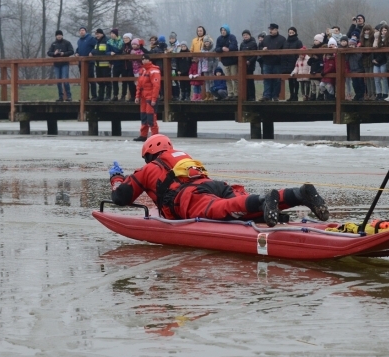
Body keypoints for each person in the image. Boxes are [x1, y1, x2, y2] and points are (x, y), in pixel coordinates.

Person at [108, 135, 330, 227]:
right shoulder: (183, 156)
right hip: (215, 185)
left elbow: (120, 198)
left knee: (223, 209)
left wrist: (116, 178)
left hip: (190, 197)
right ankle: (298, 194)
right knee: (244, 208)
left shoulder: (148, 169)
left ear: (148, 154)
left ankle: (264, 199)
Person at [134, 53, 160, 141]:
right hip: (144, 97)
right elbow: (139, 85)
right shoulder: (142, 70)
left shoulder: (154, 70)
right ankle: (143, 135)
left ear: (149, 60)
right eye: (142, 59)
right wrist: (137, 96)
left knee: (151, 117)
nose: (143, 60)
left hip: (150, 96)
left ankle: (155, 136)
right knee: (144, 116)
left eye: (145, 59)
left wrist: (154, 99)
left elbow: (156, 86)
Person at [259, 23, 286, 101]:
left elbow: (285, 50)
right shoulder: (266, 38)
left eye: (272, 29)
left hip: (277, 63)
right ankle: (266, 95)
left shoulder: (282, 39)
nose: (270, 31)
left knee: (277, 80)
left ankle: (275, 96)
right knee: (267, 79)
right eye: (269, 29)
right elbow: (260, 47)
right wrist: (262, 49)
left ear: (276, 30)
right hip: (267, 62)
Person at [47, 30, 74, 101]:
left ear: (62, 36)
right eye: (58, 35)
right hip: (56, 65)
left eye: (60, 35)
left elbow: (71, 51)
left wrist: (64, 53)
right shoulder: (53, 44)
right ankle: (60, 96)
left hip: (65, 63)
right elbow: (49, 53)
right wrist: (54, 53)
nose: (59, 36)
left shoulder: (67, 43)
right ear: (56, 36)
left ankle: (69, 96)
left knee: (65, 80)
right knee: (58, 81)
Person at [215, 25, 239, 98]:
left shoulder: (232, 37)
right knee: (227, 78)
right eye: (222, 30)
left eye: (224, 30)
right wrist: (222, 48)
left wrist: (228, 49)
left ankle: (236, 93)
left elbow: (234, 46)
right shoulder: (219, 39)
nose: (223, 32)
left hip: (233, 61)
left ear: (227, 31)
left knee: (234, 78)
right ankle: (230, 93)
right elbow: (216, 48)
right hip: (225, 62)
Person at [74, 26, 97, 100]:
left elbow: (96, 46)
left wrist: (92, 52)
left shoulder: (90, 38)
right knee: (83, 80)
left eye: (83, 30)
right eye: (80, 30)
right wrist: (76, 53)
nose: (81, 31)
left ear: (85, 31)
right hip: (81, 62)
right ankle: (85, 96)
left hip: (89, 62)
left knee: (91, 78)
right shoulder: (79, 40)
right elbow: (78, 49)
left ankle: (94, 96)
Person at [284, 27, 304, 101]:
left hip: (296, 62)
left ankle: (296, 95)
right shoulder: (286, 42)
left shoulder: (298, 42)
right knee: (290, 79)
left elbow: (301, 51)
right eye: (290, 32)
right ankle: (291, 95)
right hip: (288, 63)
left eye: (292, 32)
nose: (291, 34)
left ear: (295, 33)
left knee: (296, 80)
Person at [91, 29, 111, 101]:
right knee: (100, 81)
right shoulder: (96, 41)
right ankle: (100, 96)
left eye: (98, 34)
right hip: (98, 65)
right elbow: (95, 50)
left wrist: (110, 62)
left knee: (107, 81)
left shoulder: (107, 40)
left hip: (105, 64)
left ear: (102, 34)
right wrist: (92, 52)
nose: (97, 35)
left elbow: (106, 52)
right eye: (96, 34)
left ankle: (108, 96)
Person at [372, 24, 389, 100]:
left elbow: (384, 52)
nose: (383, 32)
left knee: (384, 78)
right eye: (382, 30)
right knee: (376, 78)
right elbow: (372, 50)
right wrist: (372, 59)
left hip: (383, 61)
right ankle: (378, 93)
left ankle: (385, 93)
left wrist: (377, 60)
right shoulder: (376, 39)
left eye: (385, 30)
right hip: (375, 61)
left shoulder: (388, 39)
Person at [106, 28, 125, 102]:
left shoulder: (122, 41)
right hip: (115, 63)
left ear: (116, 34)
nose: (111, 35)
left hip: (123, 63)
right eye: (110, 34)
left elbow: (120, 51)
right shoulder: (109, 42)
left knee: (124, 80)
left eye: (113, 33)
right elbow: (106, 52)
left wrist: (114, 51)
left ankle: (123, 95)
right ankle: (115, 95)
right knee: (114, 80)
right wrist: (110, 53)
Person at [239, 30, 258, 101]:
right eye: (244, 35)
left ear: (249, 35)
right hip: (243, 65)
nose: (245, 36)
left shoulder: (253, 43)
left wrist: (249, 61)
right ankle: (245, 96)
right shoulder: (242, 44)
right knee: (244, 81)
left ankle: (252, 97)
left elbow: (255, 55)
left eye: (246, 35)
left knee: (250, 81)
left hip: (250, 65)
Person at [346, 35, 365, 101]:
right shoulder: (349, 53)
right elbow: (346, 59)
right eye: (350, 45)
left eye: (352, 45)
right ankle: (357, 95)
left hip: (359, 69)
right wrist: (348, 52)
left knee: (360, 83)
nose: (351, 46)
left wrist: (355, 51)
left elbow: (359, 58)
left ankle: (361, 95)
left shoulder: (358, 52)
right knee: (354, 84)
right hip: (352, 70)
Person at [361, 24, 377, 100]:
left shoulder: (373, 38)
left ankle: (373, 93)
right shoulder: (362, 39)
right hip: (365, 59)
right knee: (367, 78)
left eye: (368, 30)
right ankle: (369, 94)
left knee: (372, 77)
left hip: (371, 59)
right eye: (365, 30)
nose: (366, 32)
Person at [307, 34, 325, 100]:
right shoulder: (313, 49)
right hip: (312, 69)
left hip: (318, 70)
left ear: (320, 41)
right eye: (314, 40)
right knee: (312, 84)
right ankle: (313, 95)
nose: (315, 41)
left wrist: (316, 58)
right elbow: (309, 63)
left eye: (316, 40)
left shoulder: (322, 49)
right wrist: (312, 58)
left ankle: (320, 95)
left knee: (318, 84)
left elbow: (322, 60)